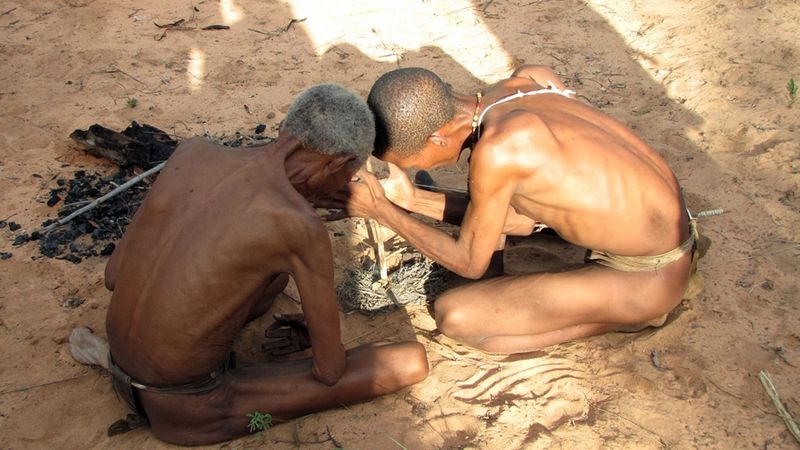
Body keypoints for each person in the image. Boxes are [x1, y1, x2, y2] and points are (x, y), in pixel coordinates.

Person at [69, 84, 428, 446]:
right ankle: (223, 397)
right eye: (346, 175)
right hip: (187, 409)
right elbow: (330, 371)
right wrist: (317, 335)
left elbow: (113, 276)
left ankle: (113, 364)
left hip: (121, 353)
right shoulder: (298, 225)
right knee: (410, 362)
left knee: (269, 276)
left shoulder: (193, 152)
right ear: (337, 163)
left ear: (287, 129)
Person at [333, 66, 704, 354]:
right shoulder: (529, 79)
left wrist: (382, 211)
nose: (415, 167)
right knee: (506, 207)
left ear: (438, 138)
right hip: (665, 226)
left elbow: (470, 261)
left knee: (458, 317)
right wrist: (412, 200)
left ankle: (630, 317)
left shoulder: (499, 150)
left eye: (411, 161)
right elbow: (516, 209)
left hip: (652, 275)